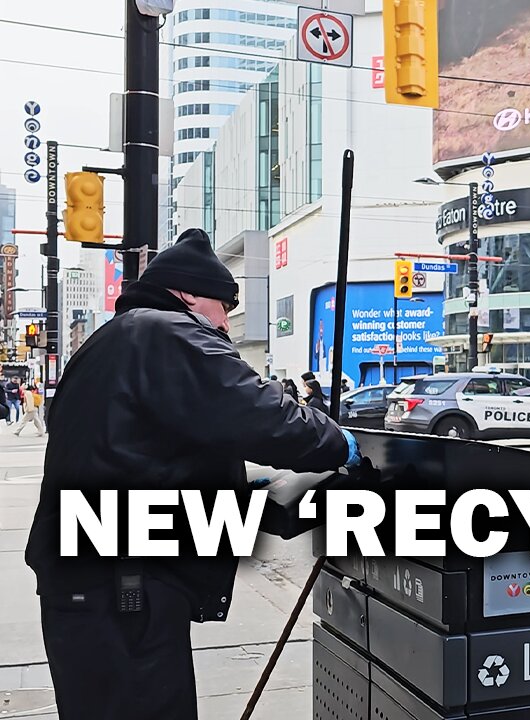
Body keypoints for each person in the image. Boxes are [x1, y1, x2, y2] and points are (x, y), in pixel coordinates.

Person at [24, 228, 361, 720]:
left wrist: (250, 496)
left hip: (90, 582)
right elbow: (262, 414)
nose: (224, 323)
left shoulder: (111, 342)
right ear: (187, 295)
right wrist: (338, 443)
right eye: (223, 306)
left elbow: (142, 461)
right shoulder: (167, 332)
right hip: (122, 587)